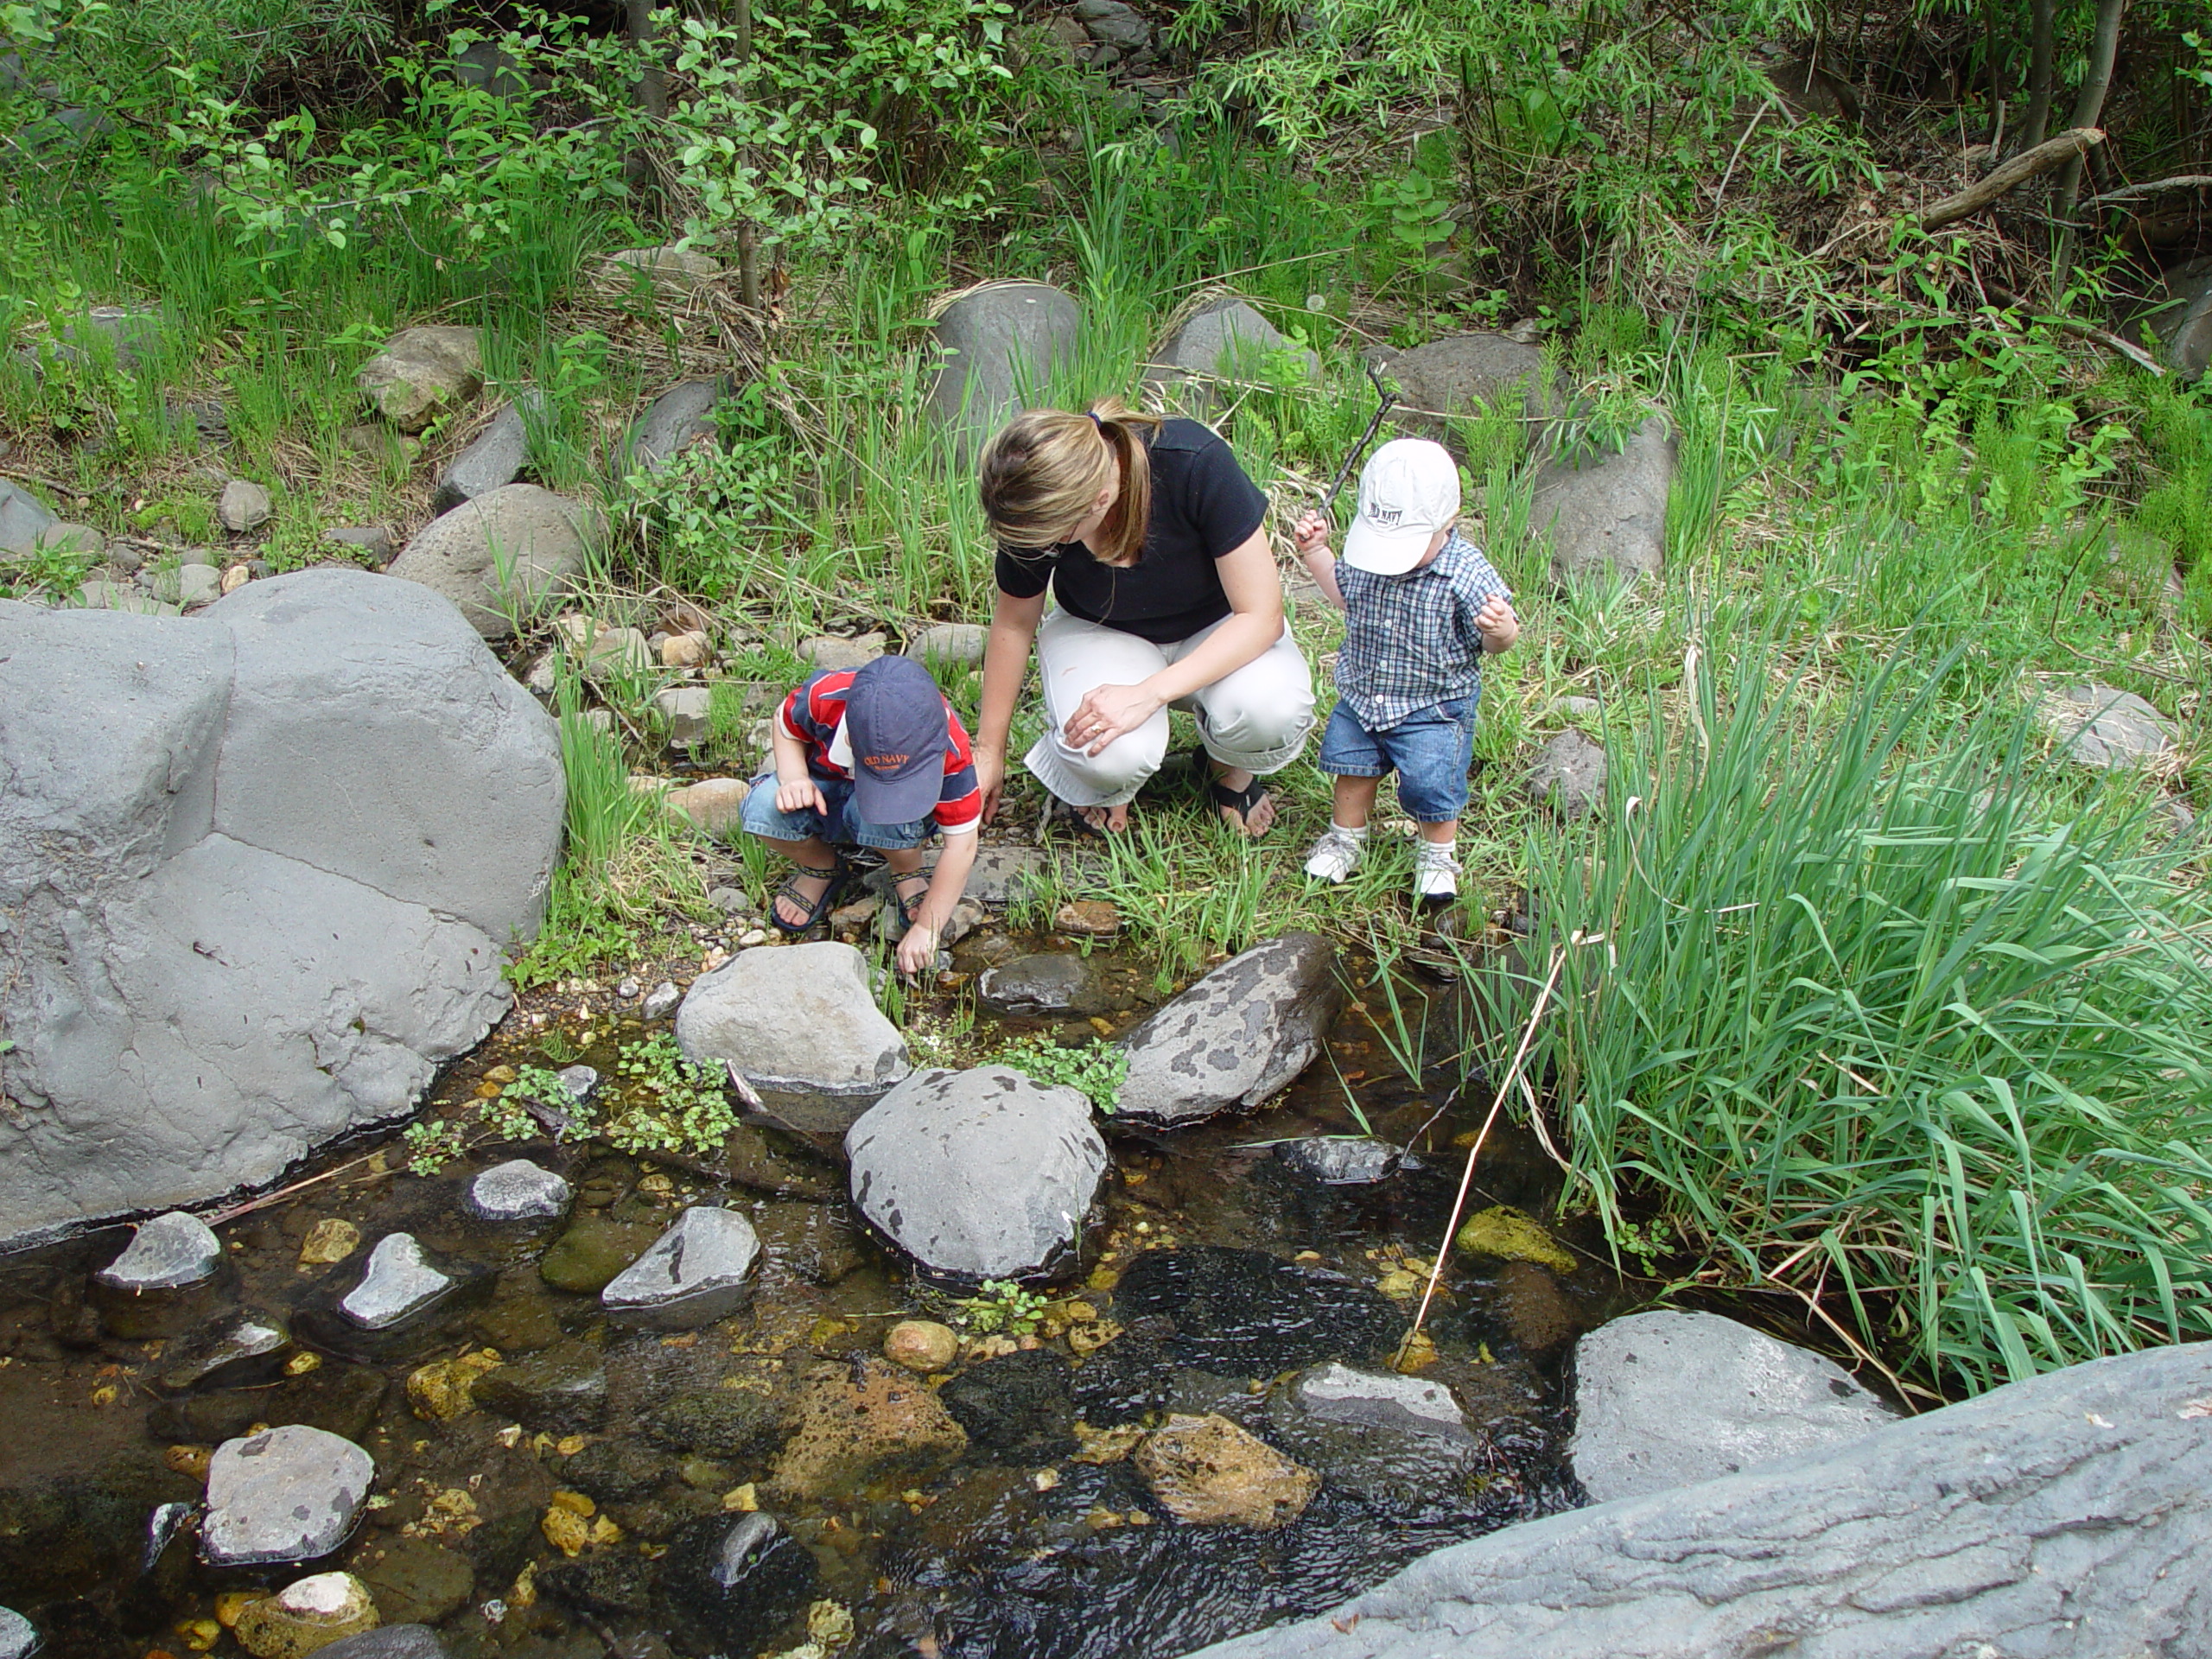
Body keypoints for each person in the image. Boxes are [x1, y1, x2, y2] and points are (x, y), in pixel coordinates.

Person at [973, 400, 1315, 836]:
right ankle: (1113, 788)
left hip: (1216, 626)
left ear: (1100, 499)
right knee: (1107, 756)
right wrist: (989, 751)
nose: (1037, 545)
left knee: (1270, 710)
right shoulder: (1029, 499)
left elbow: (1261, 615)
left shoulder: (1193, 462)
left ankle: (1229, 770)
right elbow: (1014, 624)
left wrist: (1148, 695)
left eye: (1051, 537)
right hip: (1101, 629)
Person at [1291, 437, 1522, 904]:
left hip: (1434, 705)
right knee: (1352, 769)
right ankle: (1345, 839)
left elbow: (1499, 642)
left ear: (1449, 522)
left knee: (1432, 781)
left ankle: (1438, 853)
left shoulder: (1464, 570)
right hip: (1364, 694)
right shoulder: (1366, 558)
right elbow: (1344, 596)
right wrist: (1316, 552)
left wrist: (1500, 629)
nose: (1392, 557)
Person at [740, 653, 981, 975]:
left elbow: (962, 846)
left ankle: (905, 870)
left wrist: (928, 928)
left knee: (892, 820)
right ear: (851, 738)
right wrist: (794, 777)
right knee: (762, 808)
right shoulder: (824, 697)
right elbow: (785, 725)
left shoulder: (949, 745)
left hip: (889, 820)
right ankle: (820, 866)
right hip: (823, 787)